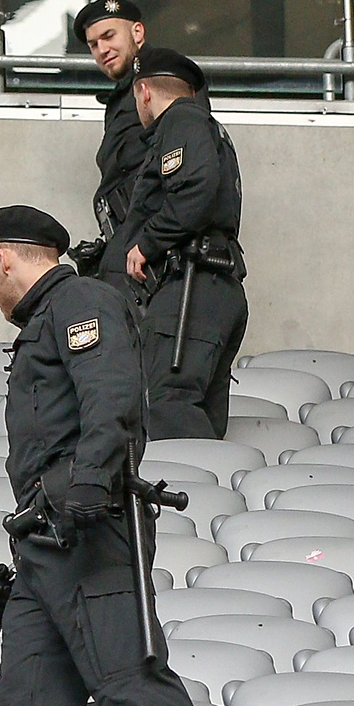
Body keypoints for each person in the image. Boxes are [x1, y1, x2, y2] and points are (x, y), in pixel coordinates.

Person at [0, 205, 203, 706]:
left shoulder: (79, 301)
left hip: (87, 533)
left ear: (2, 259)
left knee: (134, 691)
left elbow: (111, 394)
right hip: (47, 544)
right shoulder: (51, 316)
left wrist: (87, 488)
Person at [118, 48, 248, 440]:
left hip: (192, 284)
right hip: (212, 284)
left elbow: (194, 188)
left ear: (143, 91)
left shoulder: (182, 121)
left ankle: (195, 499)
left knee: (165, 402)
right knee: (196, 411)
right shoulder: (204, 126)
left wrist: (147, 243)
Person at [67, 0, 150, 308]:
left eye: (109, 36)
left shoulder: (161, 77)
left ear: (137, 33)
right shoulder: (121, 95)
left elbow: (183, 167)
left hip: (146, 243)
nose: (102, 50)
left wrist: (152, 240)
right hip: (127, 238)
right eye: (93, 44)